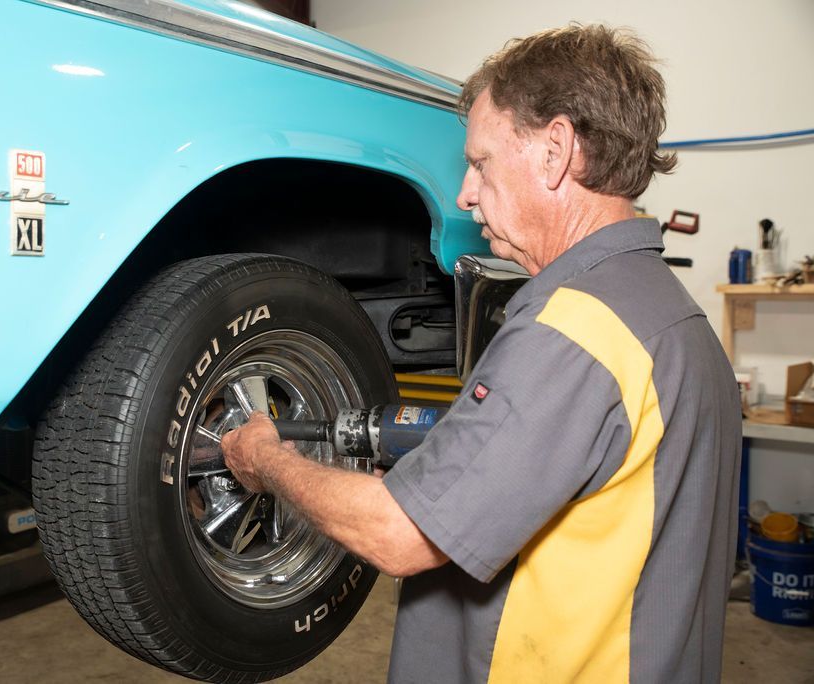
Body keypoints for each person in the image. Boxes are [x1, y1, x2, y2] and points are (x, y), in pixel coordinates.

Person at [222, 24, 740, 682]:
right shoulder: (676, 317)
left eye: (482, 162)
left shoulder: (574, 332)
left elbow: (398, 535)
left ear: (555, 151)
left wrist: (266, 460)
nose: (466, 193)